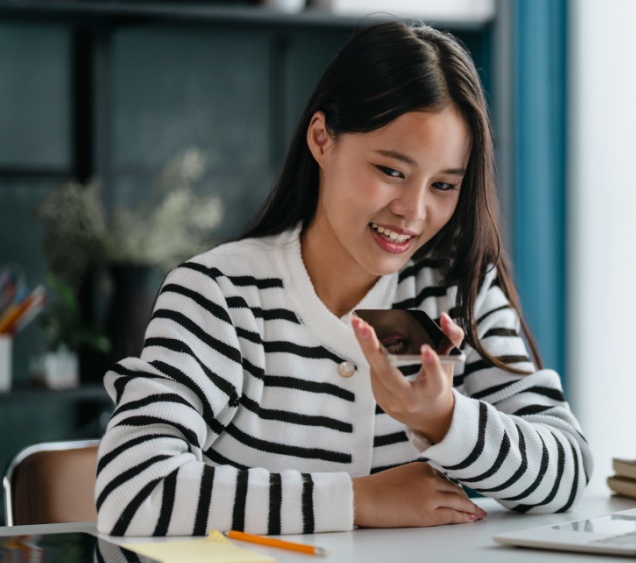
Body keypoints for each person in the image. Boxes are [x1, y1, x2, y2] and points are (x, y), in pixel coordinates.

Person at [95, 20, 593, 536]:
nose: (414, 211)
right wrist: (358, 501)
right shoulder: (221, 297)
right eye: (391, 171)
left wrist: (444, 418)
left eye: (444, 184)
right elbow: (133, 491)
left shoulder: (452, 291)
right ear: (322, 139)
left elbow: (569, 469)